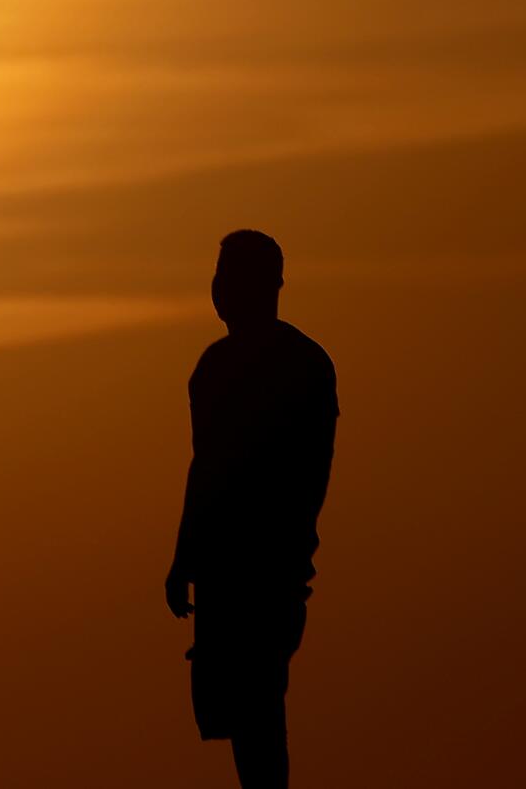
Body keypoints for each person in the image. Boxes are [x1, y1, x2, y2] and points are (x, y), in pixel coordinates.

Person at [165, 230, 339, 789]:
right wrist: (184, 561)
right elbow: (206, 468)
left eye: (230, 278)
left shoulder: (302, 366)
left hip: (266, 571)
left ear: (266, 286)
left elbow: (306, 473)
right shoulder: (217, 368)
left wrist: (278, 551)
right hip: (231, 570)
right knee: (242, 715)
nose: (219, 291)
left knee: (258, 708)